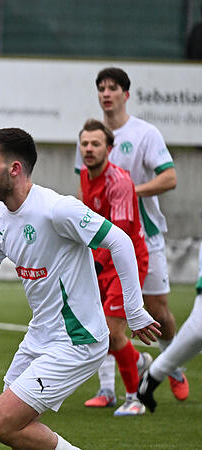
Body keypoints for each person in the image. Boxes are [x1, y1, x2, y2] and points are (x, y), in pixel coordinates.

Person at [0, 127, 160, 449]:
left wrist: (134, 309)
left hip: (78, 340)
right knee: (14, 425)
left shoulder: (57, 209)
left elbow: (120, 240)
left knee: (3, 420)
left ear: (14, 168)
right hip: (39, 336)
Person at [74, 67, 184, 406]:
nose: (106, 93)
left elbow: (170, 178)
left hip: (141, 237)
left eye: (113, 88)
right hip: (107, 244)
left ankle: (172, 365)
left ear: (126, 94)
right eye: (101, 88)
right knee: (107, 320)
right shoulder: (89, 137)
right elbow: (87, 194)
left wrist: (126, 192)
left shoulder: (144, 133)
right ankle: (109, 389)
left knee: (157, 311)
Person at [78, 118, 152, 416]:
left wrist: (95, 262)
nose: (89, 149)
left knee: (112, 332)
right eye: (84, 144)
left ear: (109, 148)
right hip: (102, 260)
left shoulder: (119, 183)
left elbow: (119, 238)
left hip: (126, 261)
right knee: (100, 330)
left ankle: (135, 398)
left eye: (96, 144)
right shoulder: (85, 175)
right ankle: (126, 373)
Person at [139, 242, 202, 412]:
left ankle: (156, 373)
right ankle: (108, 388)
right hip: (106, 240)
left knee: (159, 317)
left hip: (146, 241)